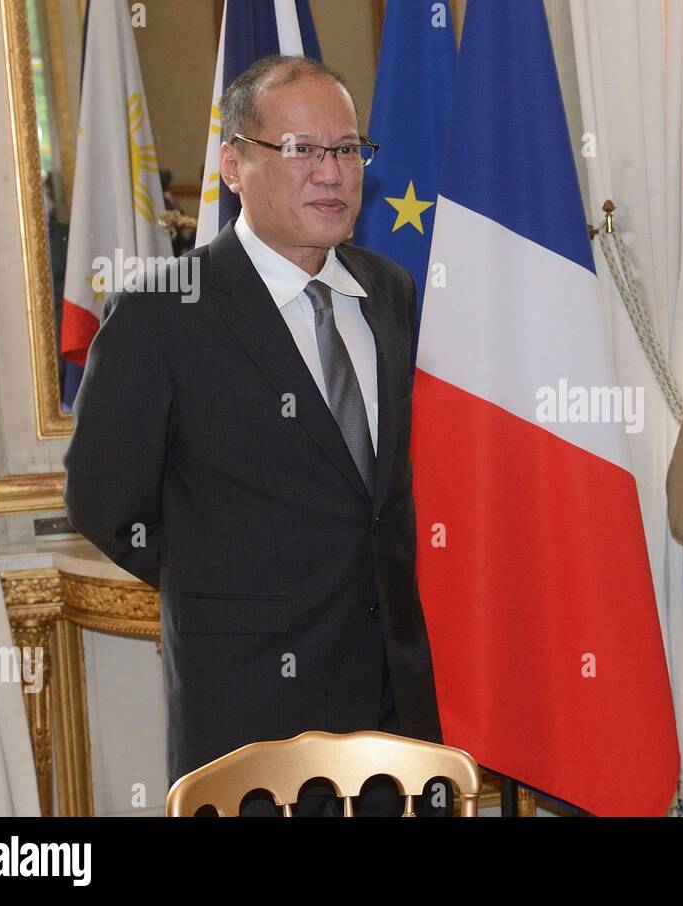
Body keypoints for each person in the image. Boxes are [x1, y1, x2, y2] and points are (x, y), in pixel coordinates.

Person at [64, 55, 446, 816]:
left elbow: (377, 496)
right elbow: (104, 501)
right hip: (250, 710)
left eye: (346, 149)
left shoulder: (388, 292)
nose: (332, 173)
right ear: (233, 164)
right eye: (301, 150)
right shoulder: (162, 311)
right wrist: (230, 586)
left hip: (395, 704)